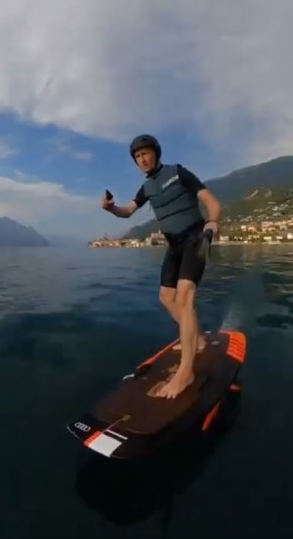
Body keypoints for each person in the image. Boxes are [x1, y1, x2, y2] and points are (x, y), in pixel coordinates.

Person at [101, 133, 221, 399]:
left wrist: (212, 222)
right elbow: (127, 211)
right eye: (137, 157)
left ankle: (186, 372)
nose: (142, 159)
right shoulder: (147, 189)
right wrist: (110, 209)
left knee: (185, 295)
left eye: (145, 153)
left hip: (196, 237)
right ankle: (197, 339)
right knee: (166, 297)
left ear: (155, 153)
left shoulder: (178, 173)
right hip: (174, 244)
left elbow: (212, 202)